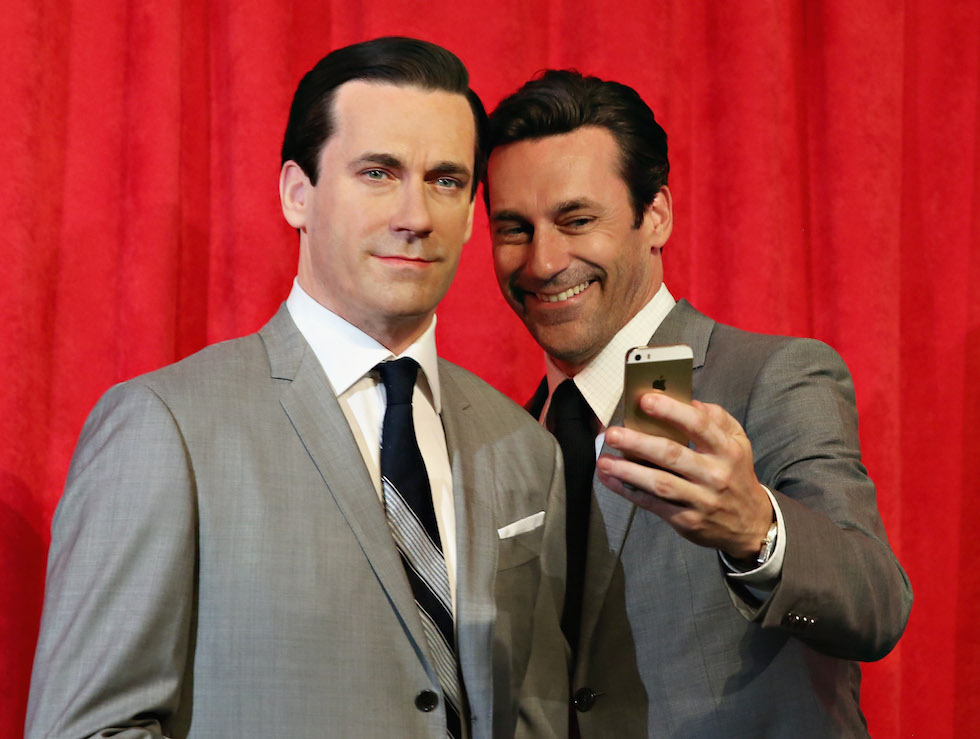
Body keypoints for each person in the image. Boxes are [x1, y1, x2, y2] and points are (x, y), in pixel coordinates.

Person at [26, 38, 568, 739]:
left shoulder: (524, 448)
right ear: (296, 194)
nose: (416, 215)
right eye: (378, 173)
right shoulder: (165, 427)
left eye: (445, 180)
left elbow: (537, 716)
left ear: (470, 214)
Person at [483, 69, 912, 737]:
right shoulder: (502, 442)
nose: (542, 261)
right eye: (514, 228)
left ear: (655, 216)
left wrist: (757, 533)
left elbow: (876, 605)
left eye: (577, 220)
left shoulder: (772, 377)